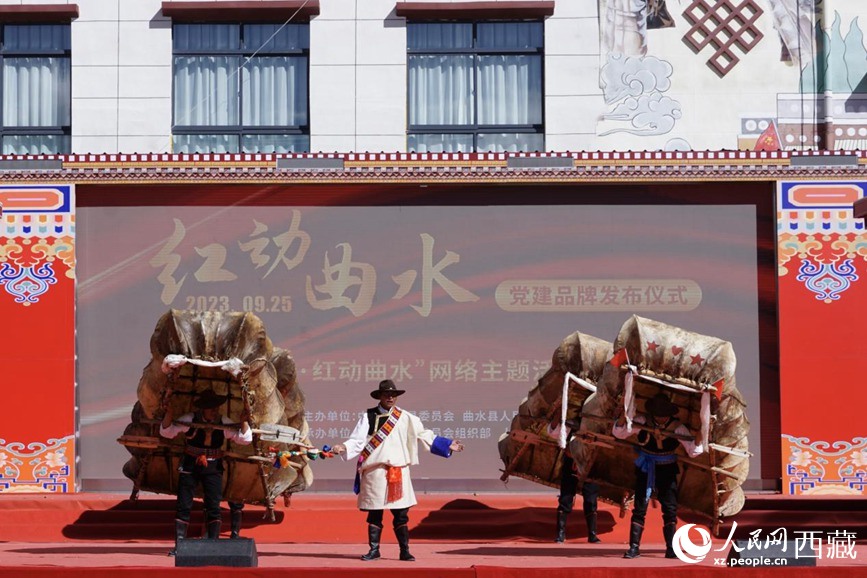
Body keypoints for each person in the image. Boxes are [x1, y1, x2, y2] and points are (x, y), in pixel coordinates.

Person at [331, 379, 464, 562]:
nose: (390, 398)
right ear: (380, 396)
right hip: (375, 471)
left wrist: (447, 444)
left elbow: (424, 434)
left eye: (393, 395)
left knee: (401, 514)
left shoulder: (406, 418)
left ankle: (404, 551)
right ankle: (374, 550)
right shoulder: (368, 416)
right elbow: (357, 440)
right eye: (386, 394)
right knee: (375, 513)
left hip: (398, 471)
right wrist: (344, 447)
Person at [160, 388, 252, 555]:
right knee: (183, 505)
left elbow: (245, 439)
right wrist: (169, 414)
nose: (214, 410)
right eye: (211, 407)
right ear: (203, 408)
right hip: (190, 465)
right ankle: (179, 546)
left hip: (213, 467)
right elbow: (166, 432)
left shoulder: (223, 421)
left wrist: (243, 421)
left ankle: (213, 545)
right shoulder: (190, 419)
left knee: (213, 506)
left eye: (216, 407)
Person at [613, 392, 703, 559]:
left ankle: (671, 548)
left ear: (669, 413)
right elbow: (620, 433)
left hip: (667, 470)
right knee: (640, 507)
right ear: (652, 412)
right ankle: (634, 547)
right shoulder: (642, 421)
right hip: (645, 468)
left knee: (670, 509)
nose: (661, 418)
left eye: (664, 415)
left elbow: (693, 451)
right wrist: (622, 416)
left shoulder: (678, 427)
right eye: (658, 414)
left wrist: (702, 430)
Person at [555, 428, 601, 544]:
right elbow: (562, 442)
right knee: (566, 498)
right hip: (571, 462)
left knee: (591, 499)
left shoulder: (598, 427)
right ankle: (560, 533)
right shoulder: (571, 424)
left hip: (590, 464)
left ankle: (592, 534)